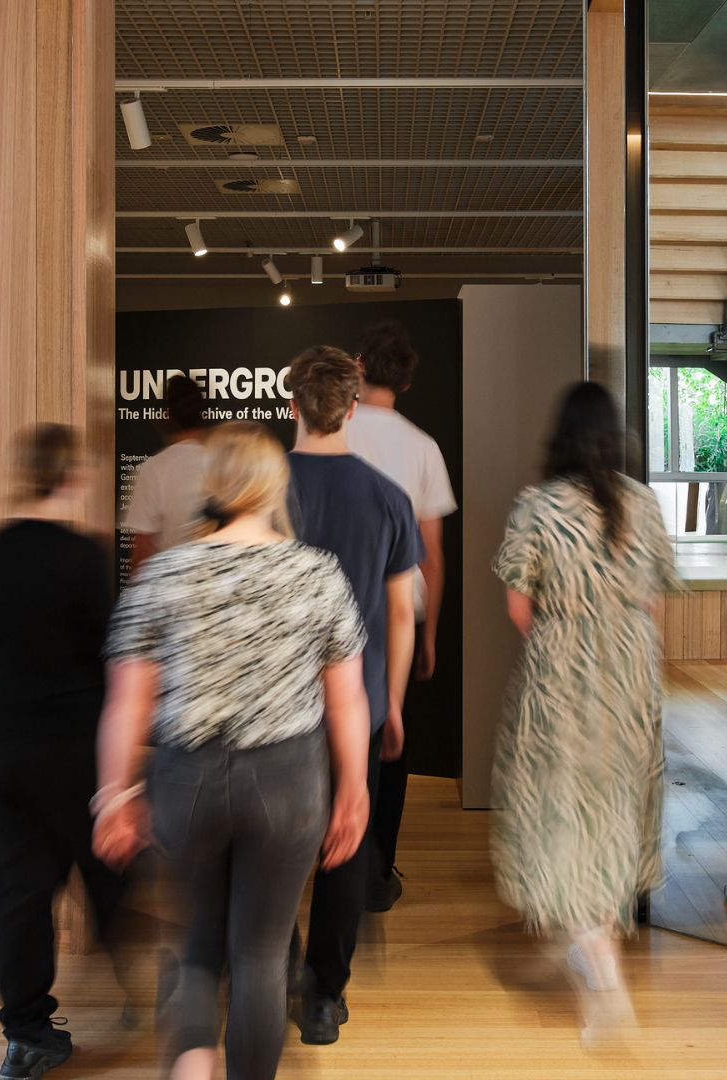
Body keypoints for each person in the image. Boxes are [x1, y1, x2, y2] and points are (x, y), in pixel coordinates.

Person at [92, 422, 373, 1080]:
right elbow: (347, 700)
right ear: (275, 486)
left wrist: (114, 793)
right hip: (288, 779)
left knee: (195, 948)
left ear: (211, 486)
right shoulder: (315, 572)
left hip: (187, 776)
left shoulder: (165, 572)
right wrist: (353, 789)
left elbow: (127, 702)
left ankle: (192, 1067)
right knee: (260, 956)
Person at [492, 382, 681, 1044]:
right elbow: (656, 599)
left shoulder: (537, 506)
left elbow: (520, 608)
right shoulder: (644, 503)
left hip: (562, 673)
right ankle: (594, 937)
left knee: (562, 807)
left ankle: (600, 968)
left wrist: (566, 641)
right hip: (631, 672)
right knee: (614, 801)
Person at [0, 425, 129, 1080]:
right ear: (70, 477)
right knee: (113, 873)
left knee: (17, 893)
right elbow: (109, 651)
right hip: (71, 745)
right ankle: (158, 990)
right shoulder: (82, 556)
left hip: (4, 741)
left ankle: (28, 1034)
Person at [283, 345, 422, 1044]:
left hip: (271, 706)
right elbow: (402, 613)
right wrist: (392, 701)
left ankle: (276, 966)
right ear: (353, 407)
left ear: (292, 406)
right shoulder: (387, 497)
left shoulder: (258, 491)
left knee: (273, 845)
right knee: (344, 846)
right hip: (358, 702)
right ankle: (324, 998)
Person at [345, 321, 457, 913]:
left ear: (358, 366)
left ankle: (329, 856)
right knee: (390, 740)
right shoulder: (422, 447)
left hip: (328, 610)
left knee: (325, 735)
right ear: (408, 381)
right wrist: (430, 630)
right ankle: (375, 871)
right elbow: (432, 556)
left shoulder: (326, 432)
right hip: (397, 614)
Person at [122, 374, 210, 566]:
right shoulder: (222, 464)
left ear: (166, 415)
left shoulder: (153, 469)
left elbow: (142, 551)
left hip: (170, 584)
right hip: (217, 585)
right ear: (203, 414)